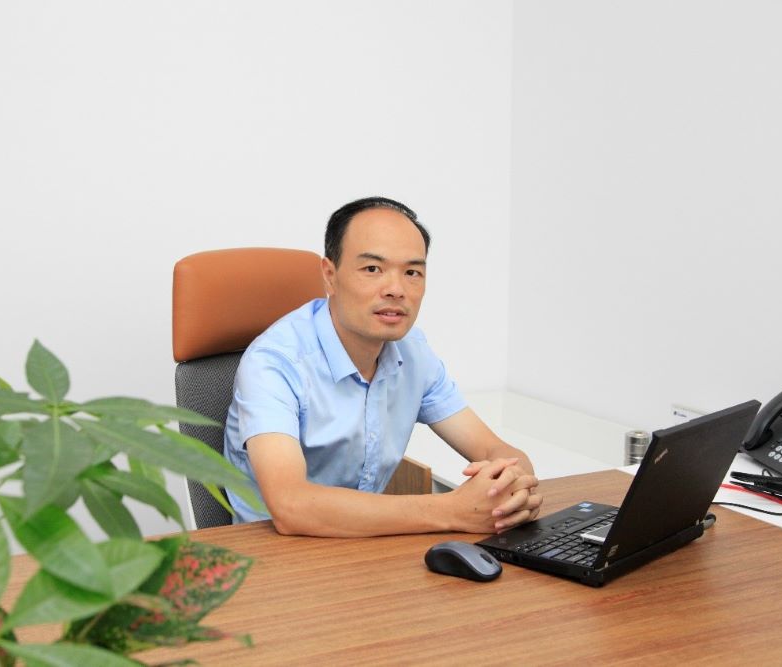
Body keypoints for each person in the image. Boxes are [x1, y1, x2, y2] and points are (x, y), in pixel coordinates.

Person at [222, 197, 542, 537]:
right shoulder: (274, 362)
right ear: (330, 276)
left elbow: (493, 449)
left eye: (412, 272)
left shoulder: (413, 352)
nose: (396, 290)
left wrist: (515, 486)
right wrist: (452, 510)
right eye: (373, 269)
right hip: (273, 556)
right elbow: (291, 505)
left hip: (368, 544)